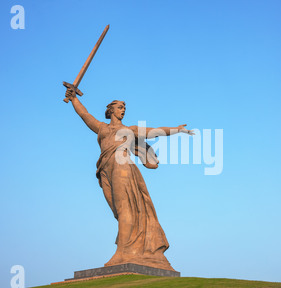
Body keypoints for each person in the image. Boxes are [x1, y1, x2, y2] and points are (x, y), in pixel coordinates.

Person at [65, 88, 194, 270]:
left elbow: (154, 132)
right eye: (119, 107)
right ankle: (131, 248)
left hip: (122, 166)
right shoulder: (101, 127)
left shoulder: (129, 130)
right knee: (119, 211)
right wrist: (73, 99)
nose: (123, 110)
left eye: (124, 107)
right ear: (110, 110)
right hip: (105, 170)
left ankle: (122, 252)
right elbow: (84, 115)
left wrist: (177, 130)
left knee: (125, 208)